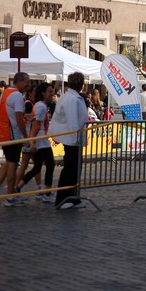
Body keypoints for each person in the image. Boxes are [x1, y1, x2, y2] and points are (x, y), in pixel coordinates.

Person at [0, 72, 31, 207]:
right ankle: (10, 196)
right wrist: (26, 137)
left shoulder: (6, 92)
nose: (28, 85)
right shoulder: (18, 96)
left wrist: (25, 117)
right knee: (13, 165)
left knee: (8, 162)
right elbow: (18, 118)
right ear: (19, 81)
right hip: (13, 135)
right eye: (27, 82)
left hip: (4, 132)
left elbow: (11, 114)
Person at [50, 72, 89, 210]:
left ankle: (73, 197)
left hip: (73, 139)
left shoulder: (69, 97)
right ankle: (64, 198)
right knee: (70, 169)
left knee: (73, 169)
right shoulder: (72, 99)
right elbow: (73, 121)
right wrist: (75, 140)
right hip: (73, 140)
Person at [15, 82, 56, 203]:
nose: (52, 94)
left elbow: (35, 122)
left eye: (52, 91)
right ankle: (47, 193)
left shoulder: (40, 105)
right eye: (49, 91)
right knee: (50, 165)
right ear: (43, 93)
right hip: (41, 141)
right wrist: (32, 142)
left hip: (39, 140)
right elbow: (36, 126)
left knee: (37, 167)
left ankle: (18, 187)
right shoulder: (41, 106)